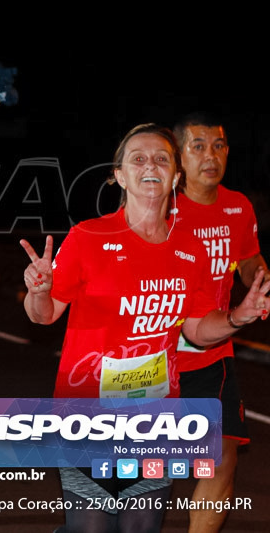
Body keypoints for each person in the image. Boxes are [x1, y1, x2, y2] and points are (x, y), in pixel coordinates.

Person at [20, 122, 270, 533]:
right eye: (138, 159)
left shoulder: (191, 249)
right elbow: (42, 315)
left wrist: (236, 318)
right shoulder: (89, 237)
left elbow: (196, 330)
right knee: (92, 528)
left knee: (141, 528)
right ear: (120, 176)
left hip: (155, 416)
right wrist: (40, 290)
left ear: (175, 176)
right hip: (87, 412)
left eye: (161, 159)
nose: (150, 165)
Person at [171, 112, 268, 531]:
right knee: (141, 468)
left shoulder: (237, 206)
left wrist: (258, 280)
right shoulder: (161, 206)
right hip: (155, 355)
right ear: (177, 155)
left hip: (214, 351)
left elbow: (247, 257)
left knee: (222, 456)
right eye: (198, 146)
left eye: (219, 145)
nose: (211, 155)